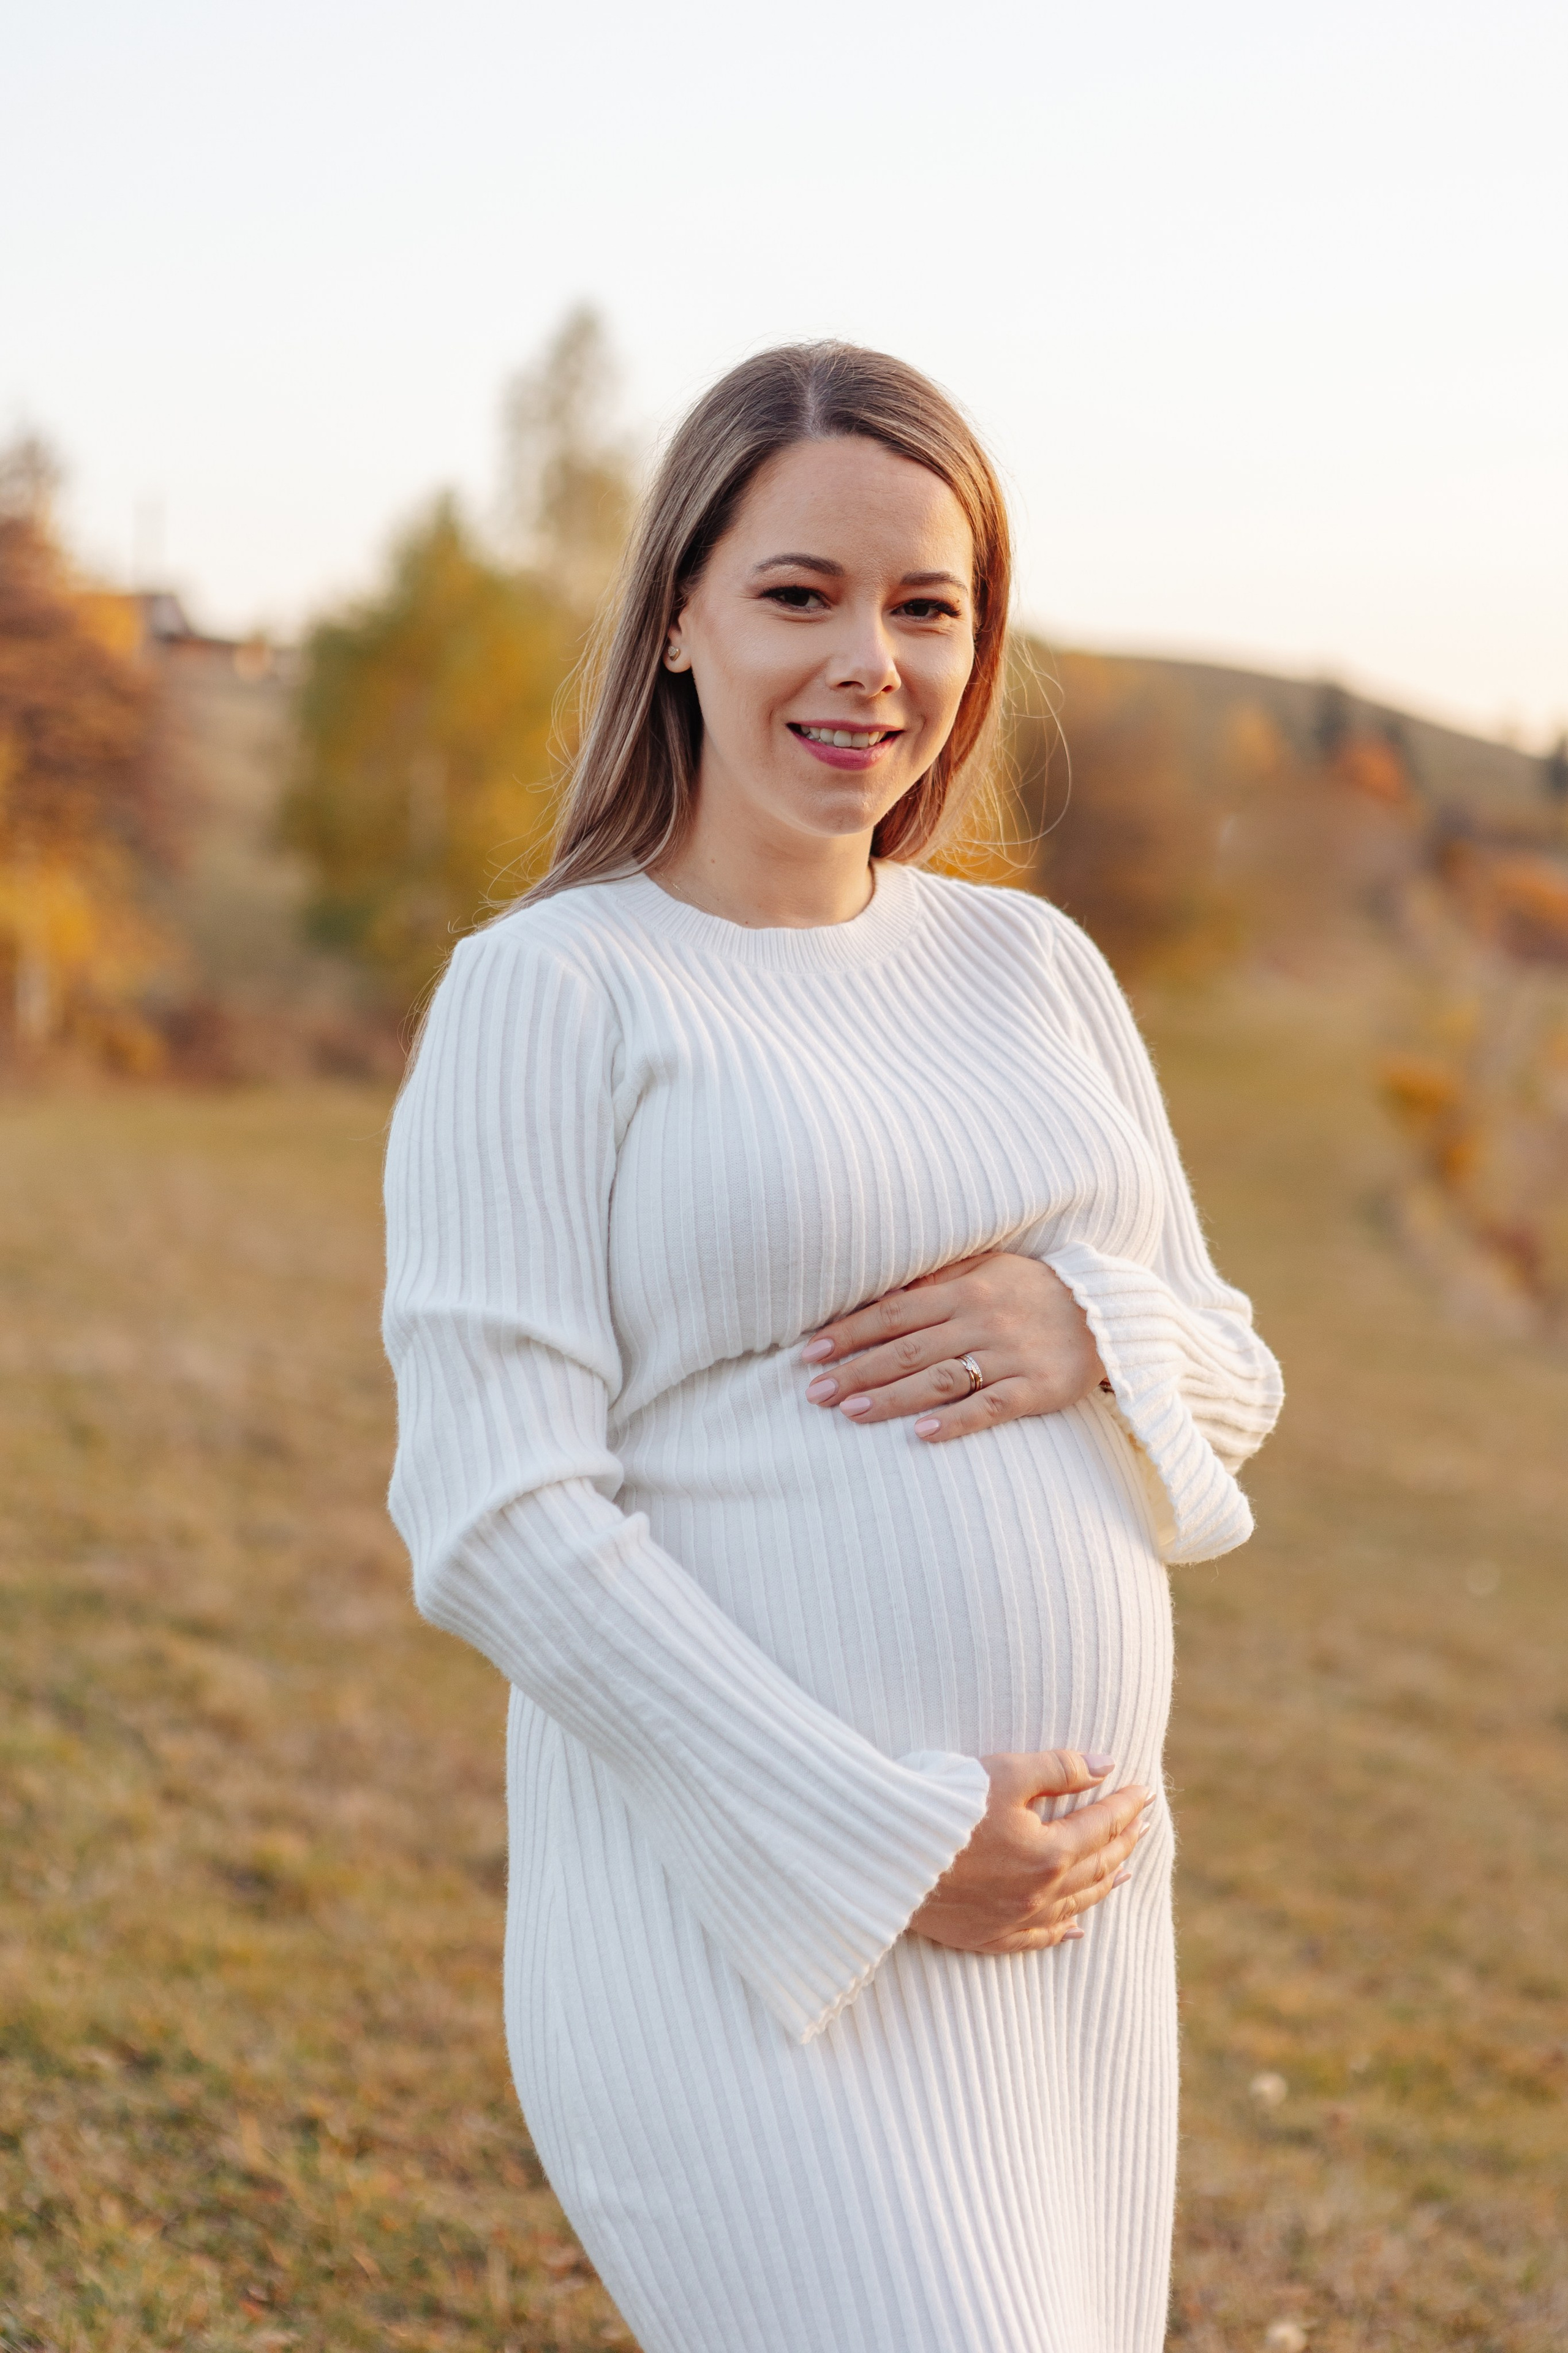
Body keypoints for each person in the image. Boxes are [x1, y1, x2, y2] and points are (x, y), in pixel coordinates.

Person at [382, 341, 1283, 2353]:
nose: (870, 660)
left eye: (927, 606)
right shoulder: (555, 989)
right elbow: (495, 1511)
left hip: (1061, 1938)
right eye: (801, 592)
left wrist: (1092, 1320)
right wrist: (882, 1837)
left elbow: (1237, 1366)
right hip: (749, 1930)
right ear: (679, 615)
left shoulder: (1032, 967)